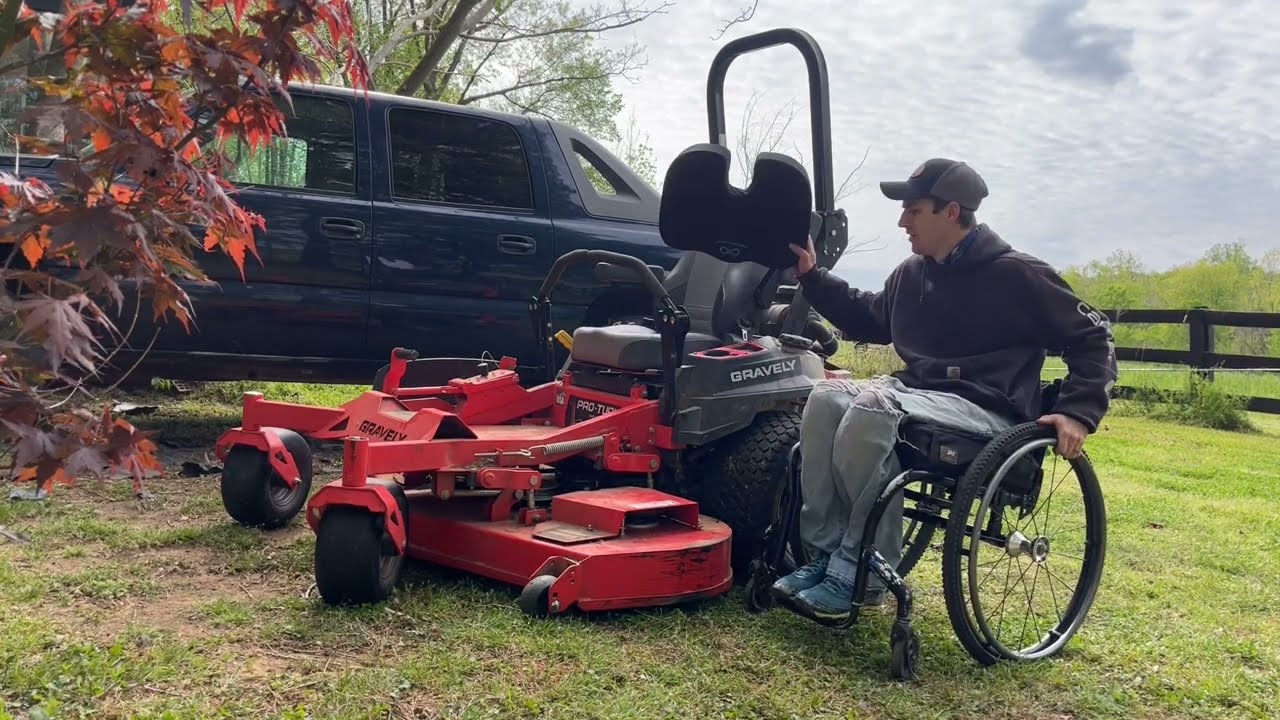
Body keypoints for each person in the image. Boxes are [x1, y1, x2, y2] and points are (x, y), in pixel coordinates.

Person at [771, 158, 1118, 623]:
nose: (901, 221)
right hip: (919, 397)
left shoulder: (1018, 275)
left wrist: (1078, 411)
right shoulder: (912, 275)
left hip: (988, 409)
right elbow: (869, 317)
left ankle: (864, 570)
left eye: (913, 210)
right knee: (826, 397)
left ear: (951, 212)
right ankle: (827, 557)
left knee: (873, 408)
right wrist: (813, 277)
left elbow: (1093, 336)